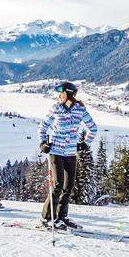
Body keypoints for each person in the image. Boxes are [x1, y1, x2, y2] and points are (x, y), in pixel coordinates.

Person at [38, 81, 97, 230]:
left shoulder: (80, 110)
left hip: (71, 152)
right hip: (56, 151)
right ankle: (47, 217)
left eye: (62, 93)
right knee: (57, 185)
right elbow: (43, 126)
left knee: (68, 186)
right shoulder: (56, 108)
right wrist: (43, 143)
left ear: (69, 94)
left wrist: (84, 144)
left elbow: (93, 128)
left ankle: (61, 216)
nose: (59, 95)